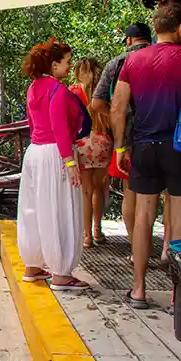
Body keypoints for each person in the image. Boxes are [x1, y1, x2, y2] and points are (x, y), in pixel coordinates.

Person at [111, 2, 181, 308]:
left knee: (143, 218)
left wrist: (120, 148)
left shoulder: (134, 60)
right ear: (180, 29)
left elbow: (117, 106)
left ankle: (138, 289)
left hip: (144, 147)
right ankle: (179, 295)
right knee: (179, 220)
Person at [17, 38, 90, 291]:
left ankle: (33, 265)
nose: (70, 67)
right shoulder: (57, 90)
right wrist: (70, 162)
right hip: (55, 153)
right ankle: (61, 272)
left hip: (34, 152)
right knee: (60, 209)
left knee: (33, 209)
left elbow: (32, 125)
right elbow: (60, 128)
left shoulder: (33, 88)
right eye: (67, 62)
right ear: (55, 64)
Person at [92, 23, 152, 260]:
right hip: (163, 133)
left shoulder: (117, 63)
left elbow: (96, 103)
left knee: (131, 192)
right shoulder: (162, 58)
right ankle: (168, 249)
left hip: (126, 137)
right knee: (162, 195)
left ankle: (136, 248)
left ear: (129, 41)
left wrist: (116, 119)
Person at [71, 59, 112, 248]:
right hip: (103, 142)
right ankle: (97, 230)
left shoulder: (73, 91)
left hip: (82, 144)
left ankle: (86, 236)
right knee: (100, 188)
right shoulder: (104, 93)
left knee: (85, 191)